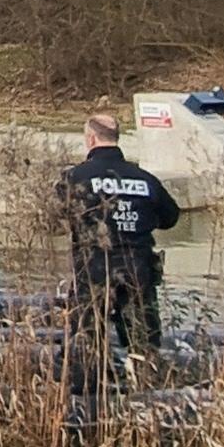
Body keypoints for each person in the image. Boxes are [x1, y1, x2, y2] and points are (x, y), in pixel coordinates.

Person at [60, 110, 180, 360]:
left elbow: (50, 219)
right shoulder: (145, 179)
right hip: (138, 269)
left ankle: (91, 391)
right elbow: (170, 218)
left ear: (90, 139)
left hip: (94, 269)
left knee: (86, 342)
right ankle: (147, 389)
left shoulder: (75, 177)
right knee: (144, 346)